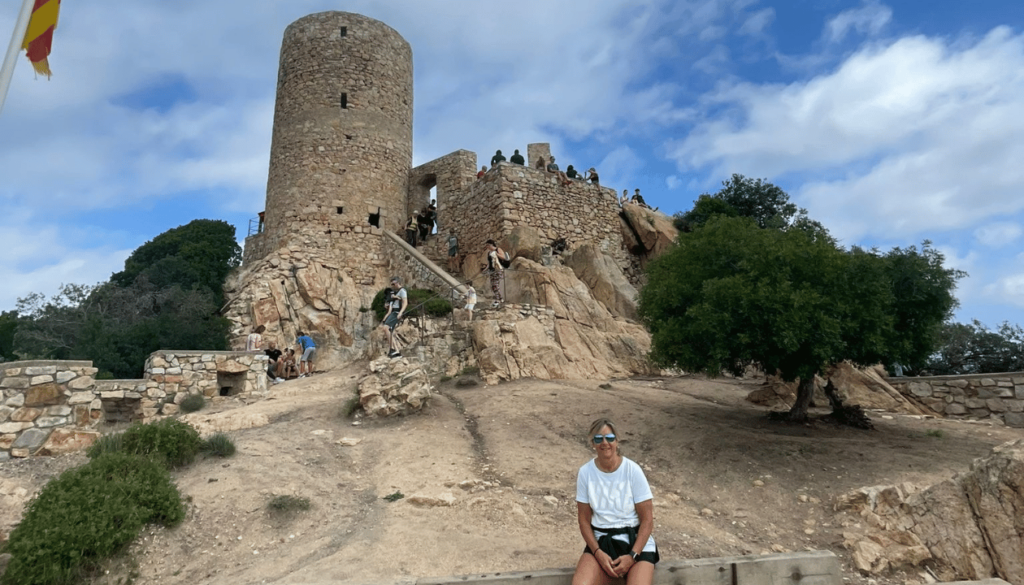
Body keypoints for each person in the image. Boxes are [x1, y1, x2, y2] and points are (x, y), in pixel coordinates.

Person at [573, 418, 659, 585]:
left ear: (617, 441)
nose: (605, 443)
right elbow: (583, 520)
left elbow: (647, 520)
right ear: (593, 443)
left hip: (634, 542)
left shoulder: (632, 471)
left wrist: (632, 556)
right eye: (599, 439)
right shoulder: (585, 473)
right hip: (602, 541)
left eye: (609, 438)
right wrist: (597, 552)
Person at [381, 276, 408, 358]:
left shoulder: (402, 291)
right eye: (392, 284)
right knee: (390, 332)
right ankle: (396, 351)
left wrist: (400, 312)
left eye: (393, 283)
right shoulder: (396, 292)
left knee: (386, 328)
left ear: (397, 282)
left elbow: (405, 302)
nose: (392, 285)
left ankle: (393, 349)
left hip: (396, 312)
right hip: (393, 312)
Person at [484, 240, 505, 307]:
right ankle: (500, 299)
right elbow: (489, 263)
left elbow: (503, 257)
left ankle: (498, 299)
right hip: (492, 271)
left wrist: (496, 254)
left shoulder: (498, 250)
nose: (487, 247)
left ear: (491, 244)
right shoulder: (489, 253)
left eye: (488, 245)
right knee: (493, 286)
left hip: (498, 270)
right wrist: (485, 269)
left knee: (495, 285)